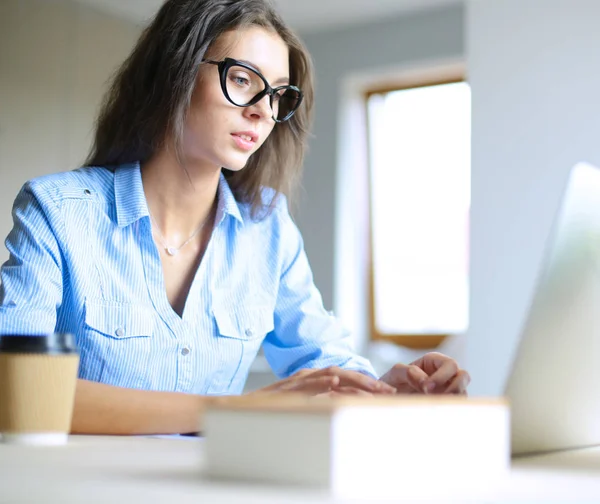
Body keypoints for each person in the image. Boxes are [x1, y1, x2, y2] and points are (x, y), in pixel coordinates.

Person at [0, 0, 470, 435]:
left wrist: (384, 390)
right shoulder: (58, 213)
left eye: (278, 94)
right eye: (243, 79)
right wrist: (232, 409)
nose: (262, 111)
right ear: (174, 73)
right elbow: (17, 393)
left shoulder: (268, 228)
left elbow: (322, 356)